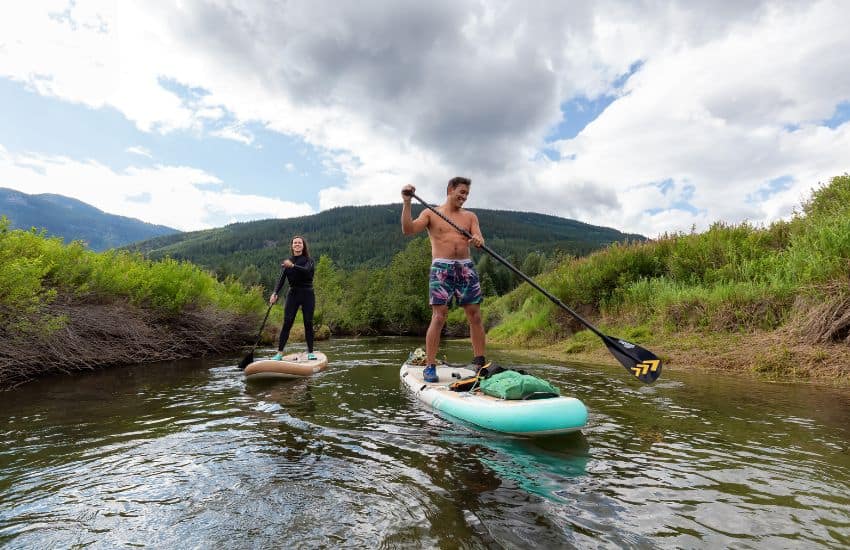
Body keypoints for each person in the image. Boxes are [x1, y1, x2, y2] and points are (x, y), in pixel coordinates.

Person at [401, 177, 486, 382]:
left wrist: (477, 240)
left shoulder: (470, 217)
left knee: (474, 315)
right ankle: (430, 366)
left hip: (465, 267)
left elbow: (480, 239)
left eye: (467, 194)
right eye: (461, 192)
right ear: (450, 190)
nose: (464, 197)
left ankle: (479, 362)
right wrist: (406, 202)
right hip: (441, 268)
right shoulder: (431, 213)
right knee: (439, 316)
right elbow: (408, 230)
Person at [269, 235, 317, 361]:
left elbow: (307, 272)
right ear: (292, 246)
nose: (297, 244)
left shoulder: (309, 260)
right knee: (287, 323)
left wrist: (293, 266)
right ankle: (279, 353)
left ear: (303, 246)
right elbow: (280, 280)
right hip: (293, 294)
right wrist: (274, 293)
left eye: (299, 243)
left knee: (308, 322)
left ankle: (310, 351)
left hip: (307, 293)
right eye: (295, 243)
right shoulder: (287, 262)